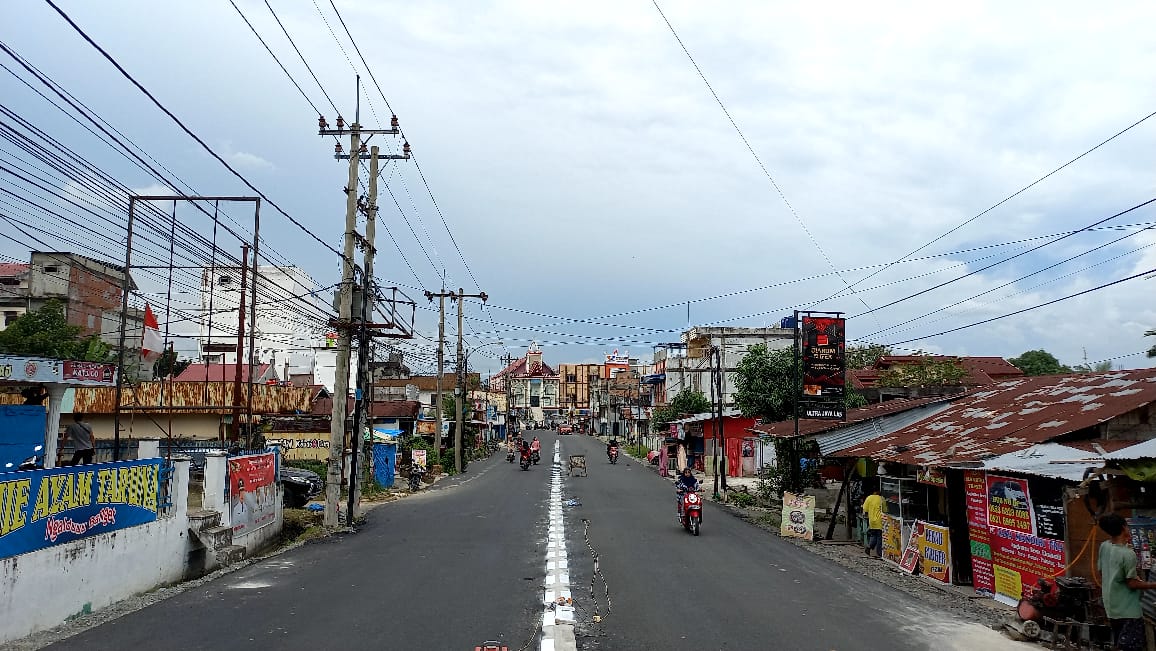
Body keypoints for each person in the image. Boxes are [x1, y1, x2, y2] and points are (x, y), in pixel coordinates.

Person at [1099, 513, 1156, 651]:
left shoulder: (1105, 546)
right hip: (1128, 611)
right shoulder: (1127, 554)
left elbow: (1102, 572)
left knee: (1120, 644)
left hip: (1111, 607)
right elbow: (1132, 584)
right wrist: (1153, 584)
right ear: (1124, 527)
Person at [862, 488, 884, 558]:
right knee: (879, 537)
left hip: (872, 521)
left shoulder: (869, 498)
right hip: (880, 521)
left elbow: (865, 509)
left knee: (873, 535)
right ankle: (879, 552)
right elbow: (886, 510)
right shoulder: (882, 499)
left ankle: (869, 547)